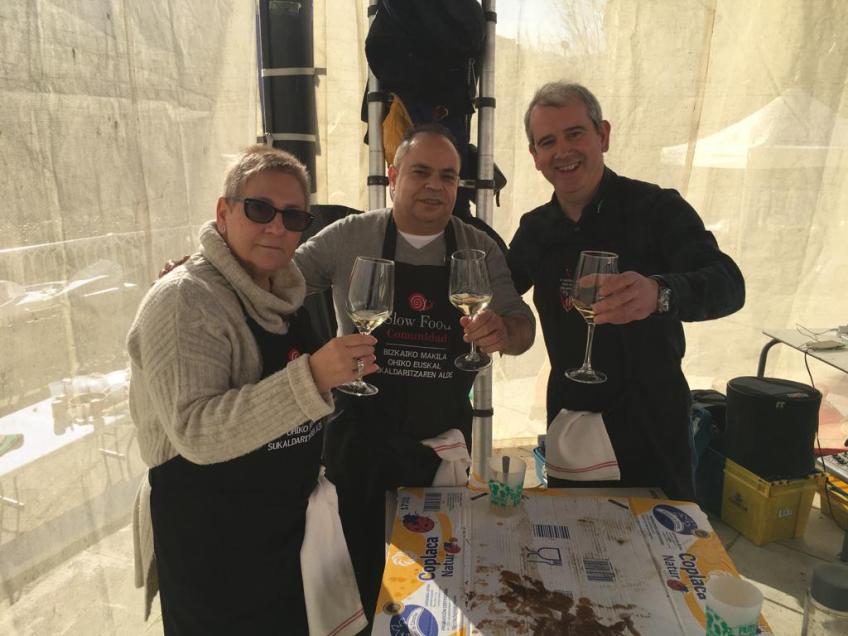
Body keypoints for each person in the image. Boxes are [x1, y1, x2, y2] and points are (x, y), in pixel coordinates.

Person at [294, 123, 535, 626]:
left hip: (438, 445)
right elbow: (280, 278)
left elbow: (523, 327)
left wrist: (502, 331)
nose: (434, 185)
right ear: (393, 176)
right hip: (359, 441)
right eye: (420, 171)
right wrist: (214, 271)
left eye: (447, 176)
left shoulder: (478, 247)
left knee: (435, 583)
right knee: (362, 581)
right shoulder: (350, 236)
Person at [127, 145, 376, 634]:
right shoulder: (184, 300)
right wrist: (313, 377)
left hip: (281, 532)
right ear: (224, 212)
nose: (277, 227)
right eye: (260, 209)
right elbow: (195, 431)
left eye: (293, 216)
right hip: (215, 550)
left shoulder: (281, 288)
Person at [508, 82, 745, 501]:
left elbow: (728, 283)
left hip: (653, 422)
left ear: (603, 135)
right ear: (535, 157)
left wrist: (660, 293)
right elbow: (500, 291)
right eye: (548, 142)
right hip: (573, 417)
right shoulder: (536, 229)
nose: (563, 151)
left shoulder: (657, 209)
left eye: (575, 133)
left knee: (663, 536)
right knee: (575, 532)